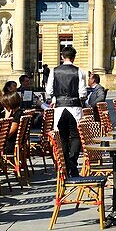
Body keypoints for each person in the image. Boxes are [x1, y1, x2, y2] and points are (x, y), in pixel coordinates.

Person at [45, 45, 87, 176]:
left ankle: (64, 165)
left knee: (62, 137)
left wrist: (54, 97)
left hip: (59, 107)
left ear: (62, 57)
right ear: (74, 57)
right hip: (74, 106)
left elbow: (49, 90)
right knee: (75, 136)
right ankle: (72, 161)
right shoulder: (79, 71)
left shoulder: (54, 71)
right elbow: (82, 92)